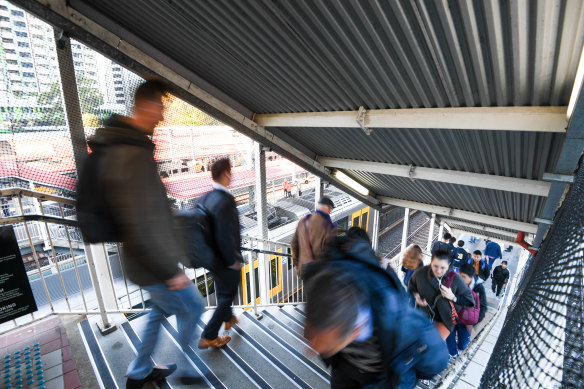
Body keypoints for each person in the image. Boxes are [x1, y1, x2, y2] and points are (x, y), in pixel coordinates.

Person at [93, 79, 205, 387]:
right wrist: (170, 270)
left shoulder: (129, 145)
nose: (162, 115)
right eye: (160, 106)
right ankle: (188, 369)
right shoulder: (130, 153)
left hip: (146, 259)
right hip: (151, 261)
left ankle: (139, 371)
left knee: (160, 309)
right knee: (194, 306)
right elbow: (137, 221)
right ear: (145, 105)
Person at [303, 231, 449, 388]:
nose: (313, 350)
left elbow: (437, 362)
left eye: (327, 345)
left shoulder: (401, 324)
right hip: (345, 366)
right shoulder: (326, 282)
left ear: (355, 331)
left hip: (379, 374)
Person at [197, 158, 243, 349]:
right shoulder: (226, 200)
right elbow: (226, 233)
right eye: (230, 172)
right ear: (226, 174)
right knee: (228, 294)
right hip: (225, 258)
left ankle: (229, 319)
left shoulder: (205, 197)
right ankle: (209, 335)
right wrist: (232, 259)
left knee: (224, 290)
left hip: (210, 258)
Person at [408, 250, 475, 340]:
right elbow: (412, 287)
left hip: (445, 320)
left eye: (443, 268)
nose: (438, 271)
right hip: (423, 315)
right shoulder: (420, 273)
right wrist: (416, 296)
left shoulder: (455, 279)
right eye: (435, 266)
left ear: (448, 265)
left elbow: (470, 302)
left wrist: (453, 297)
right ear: (431, 262)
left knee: (433, 344)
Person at [445, 264, 487, 357]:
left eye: (464, 277)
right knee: (449, 338)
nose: (461, 279)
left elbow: (483, 307)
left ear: (471, 278)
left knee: (463, 342)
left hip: (466, 321)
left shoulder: (478, 288)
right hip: (452, 316)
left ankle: (461, 350)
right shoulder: (454, 281)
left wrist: (474, 323)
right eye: (460, 275)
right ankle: (452, 353)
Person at [290, 196, 337, 276]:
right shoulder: (328, 226)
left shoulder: (303, 220)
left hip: (304, 268)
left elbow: (294, 244)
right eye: (331, 209)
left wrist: (297, 263)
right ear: (328, 209)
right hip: (320, 272)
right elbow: (331, 251)